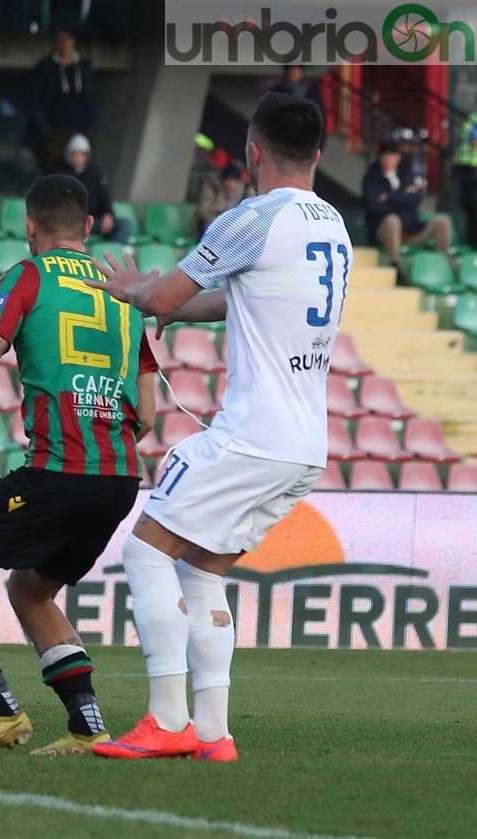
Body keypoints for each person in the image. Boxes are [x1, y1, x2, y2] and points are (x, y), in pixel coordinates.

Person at [86, 93, 351, 762]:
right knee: (202, 572)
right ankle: (212, 733)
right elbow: (242, 300)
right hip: (303, 446)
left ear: (253, 152)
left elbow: (162, 297)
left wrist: (137, 291)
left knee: (146, 551)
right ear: (318, 154)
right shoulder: (335, 225)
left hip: (251, 435)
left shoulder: (251, 217)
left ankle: (166, 719)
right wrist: (176, 305)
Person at [0, 174, 157, 755]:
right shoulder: (128, 292)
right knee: (32, 590)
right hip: (118, 478)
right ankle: (88, 727)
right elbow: (148, 407)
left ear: (29, 227)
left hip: (57, 470)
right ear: (90, 228)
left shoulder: (27, 275)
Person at [363, 140, 451, 274]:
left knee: (442, 221)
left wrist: (389, 197)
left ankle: (444, 265)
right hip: (385, 230)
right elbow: (374, 206)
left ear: (398, 158)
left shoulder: (406, 175)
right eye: (385, 156)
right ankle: (395, 266)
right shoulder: (371, 178)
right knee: (392, 220)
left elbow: (416, 199)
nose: (388, 160)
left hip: (412, 228)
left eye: (392, 156)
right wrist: (403, 197)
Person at [26, 29, 97, 170]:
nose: (64, 44)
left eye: (67, 39)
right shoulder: (45, 68)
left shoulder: (84, 67)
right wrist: (45, 130)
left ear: (73, 41)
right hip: (54, 131)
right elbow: (34, 101)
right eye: (61, 40)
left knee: (80, 168)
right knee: (54, 169)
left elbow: (94, 98)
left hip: (80, 128)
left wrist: (92, 126)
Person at [51, 133, 127, 241]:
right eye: (74, 155)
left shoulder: (94, 172)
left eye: (81, 155)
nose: (78, 159)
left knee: (124, 225)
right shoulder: (60, 173)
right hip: (71, 223)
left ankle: (107, 253)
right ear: (68, 155)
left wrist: (108, 214)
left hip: (93, 221)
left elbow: (104, 195)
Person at [196, 163, 252, 235]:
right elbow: (203, 210)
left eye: (232, 181)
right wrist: (217, 208)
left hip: (236, 224)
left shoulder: (246, 190)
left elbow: (249, 213)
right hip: (214, 221)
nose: (229, 184)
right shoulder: (213, 187)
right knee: (209, 227)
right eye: (227, 180)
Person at [458, 112, 477, 248]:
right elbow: (474, 141)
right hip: (470, 168)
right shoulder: (473, 120)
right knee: (472, 208)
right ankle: (473, 245)